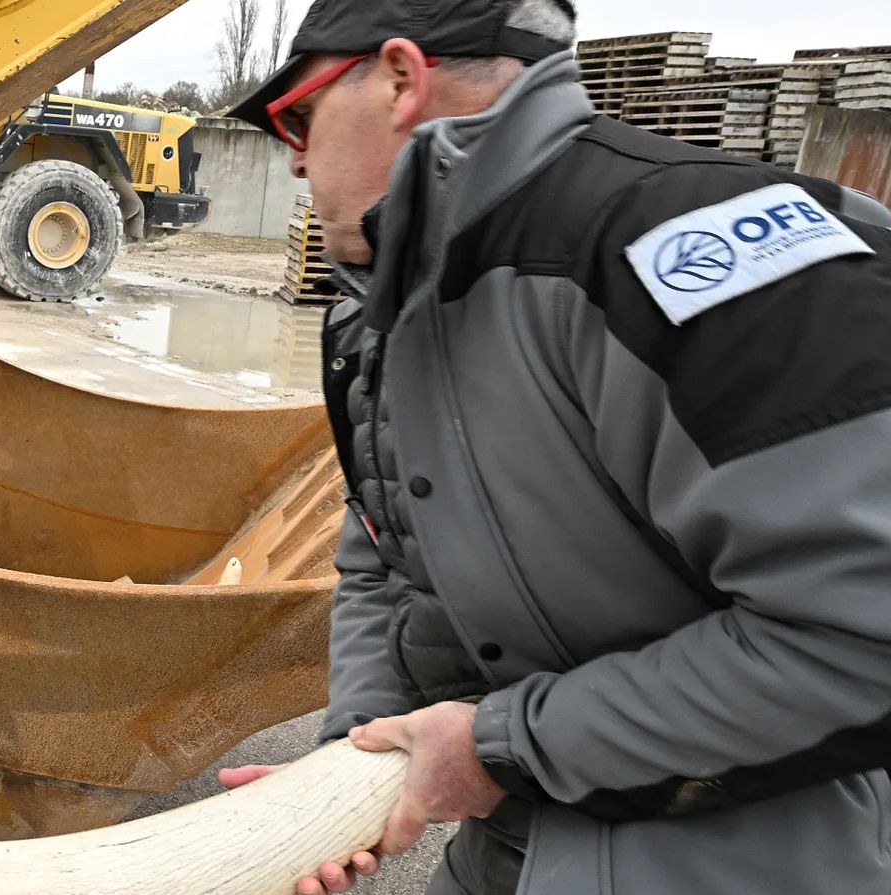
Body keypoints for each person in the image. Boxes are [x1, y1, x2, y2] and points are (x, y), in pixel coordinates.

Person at [217, 1, 891, 894]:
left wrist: (501, 749)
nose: (295, 158)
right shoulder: (383, 314)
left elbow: (861, 637)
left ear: (401, 79)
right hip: (508, 855)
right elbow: (383, 553)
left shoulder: (697, 256)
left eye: (297, 115)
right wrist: (357, 766)